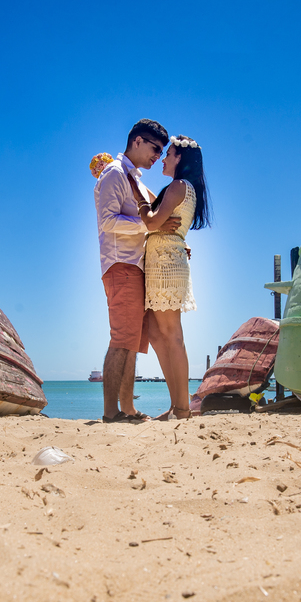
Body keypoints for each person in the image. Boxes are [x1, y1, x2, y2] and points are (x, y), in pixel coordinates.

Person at [94, 119, 181, 423]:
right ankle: (110, 413)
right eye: (155, 149)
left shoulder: (134, 178)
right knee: (122, 339)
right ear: (138, 141)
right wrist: (147, 225)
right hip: (121, 265)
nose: (158, 156)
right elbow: (107, 222)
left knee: (132, 341)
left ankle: (127, 410)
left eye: (161, 151)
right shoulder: (115, 174)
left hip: (136, 266)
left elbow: (150, 223)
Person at [135, 135, 212, 420]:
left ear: (180, 158)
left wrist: (143, 209)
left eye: (168, 153)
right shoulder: (180, 188)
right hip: (163, 261)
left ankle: (182, 409)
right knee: (157, 334)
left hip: (167, 263)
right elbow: (159, 221)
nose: (163, 158)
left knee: (172, 335)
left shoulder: (180, 186)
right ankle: (176, 405)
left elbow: (153, 222)